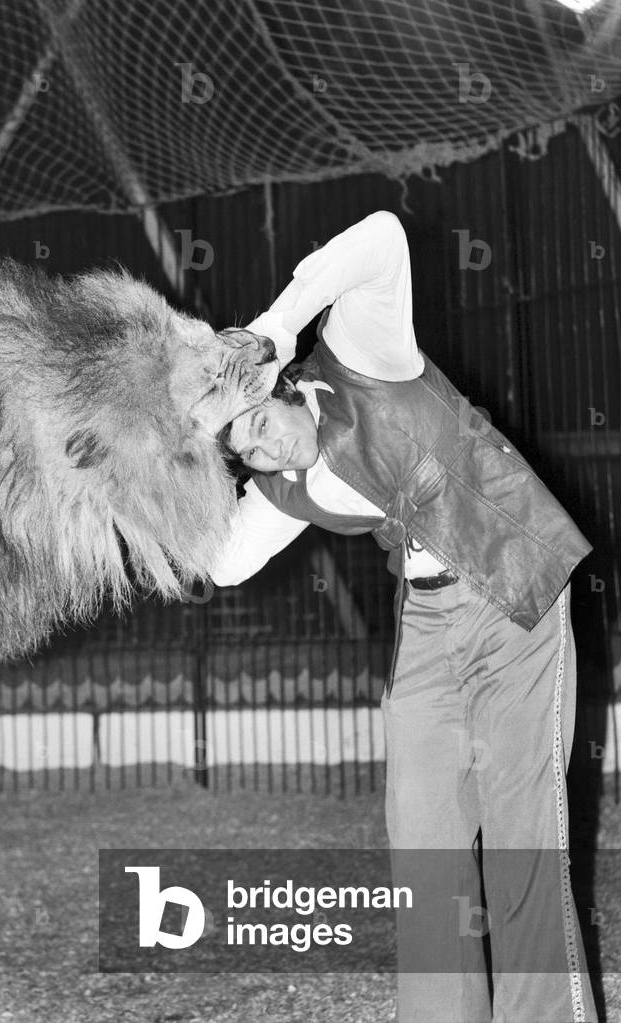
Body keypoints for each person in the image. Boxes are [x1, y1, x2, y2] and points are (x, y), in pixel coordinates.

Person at [209, 211, 597, 1022]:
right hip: (425, 628)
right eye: (242, 452)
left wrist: (274, 327)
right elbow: (221, 559)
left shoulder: (362, 355)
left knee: (522, 844)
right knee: (423, 847)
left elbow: (382, 234)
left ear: (278, 387)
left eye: (256, 422)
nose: (261, 449)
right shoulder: (283, 488)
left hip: (512, 593)